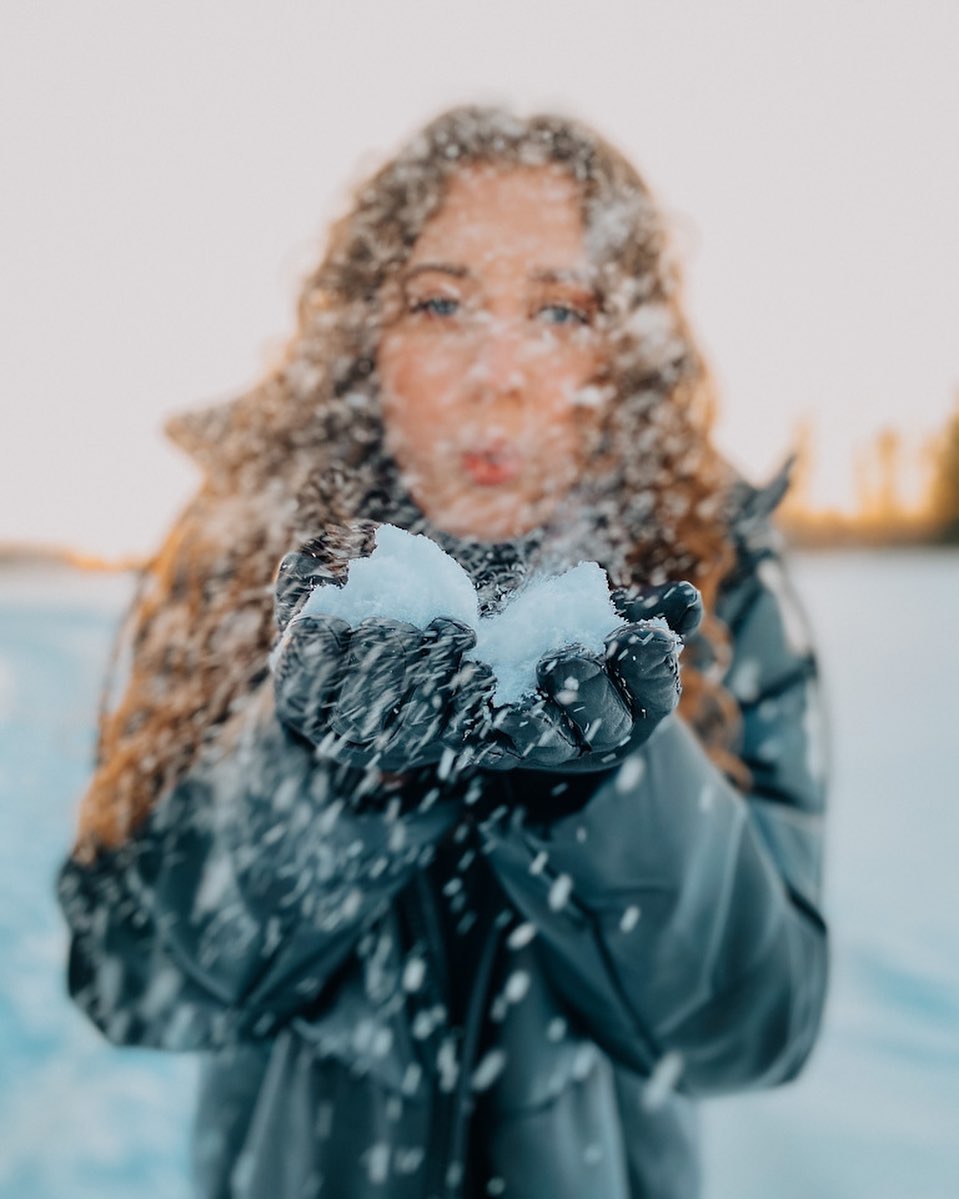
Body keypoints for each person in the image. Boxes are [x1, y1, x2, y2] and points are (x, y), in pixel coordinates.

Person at [56, 105, 830, 1199]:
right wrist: (323, 781)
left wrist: (609, 791)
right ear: (364, 339)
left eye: (559, 308)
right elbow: (134, 981)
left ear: (621, 355)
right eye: (439, 301)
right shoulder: (247, 560)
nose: (495, 368)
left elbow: (754, 1027)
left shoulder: (712, 585)